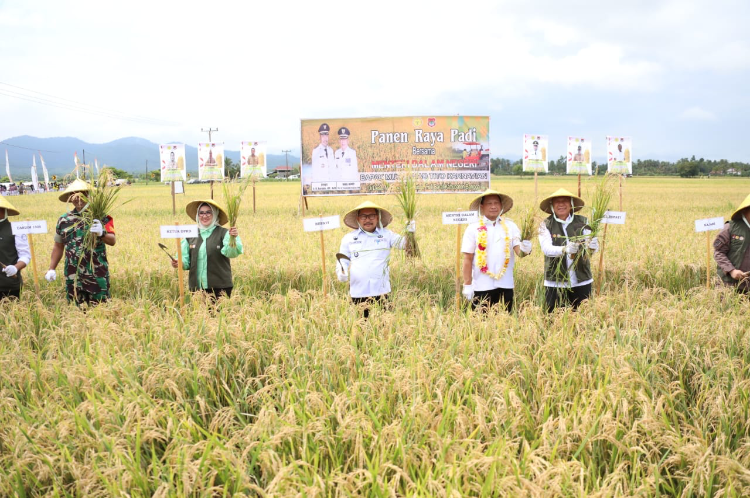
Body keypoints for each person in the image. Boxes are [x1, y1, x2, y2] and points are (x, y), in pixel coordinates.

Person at [336, 200, 413, 318]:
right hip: (359, 291)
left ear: (378, 218)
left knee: (384, 327)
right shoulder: (349, 238)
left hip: (381, 291)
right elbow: (342, 259)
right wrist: (342, 271)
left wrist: (410, 232)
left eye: (371, 216)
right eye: (363, 216)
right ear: (358, 219)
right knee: (361, 327)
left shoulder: (387, 235)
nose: (368, 219)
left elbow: (405, 245)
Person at [46, 179, 116, 305]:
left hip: (97, 274)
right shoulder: (64, 220)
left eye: (81, 194)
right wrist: (51, 268)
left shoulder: (100, 216)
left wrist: (102, 233)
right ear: (69, 198)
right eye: (73, 195)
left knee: (101, 310)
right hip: (73, 275)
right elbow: (58, 246)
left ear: (88, 195)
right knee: (75, 311)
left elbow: (112, 241)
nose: (78, 198)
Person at [461, 189, 532, 312]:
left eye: (496, 203)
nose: (493, 206)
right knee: (480, 325)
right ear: (482, 207)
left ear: (501, 206)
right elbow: (467, 258)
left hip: (506, 284)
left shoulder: (511, 226)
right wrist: (467, 285)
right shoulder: (473, 228)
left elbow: (519, 252)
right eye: (489, 203)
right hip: (481, 286)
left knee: (505, 324)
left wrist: (526, 248)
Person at [538, 188, 599, 312]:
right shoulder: (545, 224)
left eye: (565, 201)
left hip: (581, 280)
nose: (561, 204)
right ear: (552, 205)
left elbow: (590, 251)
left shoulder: (583, 221)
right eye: (557, 202)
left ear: (571, 204)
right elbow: (546, 249)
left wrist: (593, 245)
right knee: (554, 320)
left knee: (583, 318)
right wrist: (564, 249)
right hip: (556, 282)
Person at [172, 199, 242, 298]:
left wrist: (233, 238)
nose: (204, 216)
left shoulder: (225, 233)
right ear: (197, 215)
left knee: (219, 313)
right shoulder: (190, 235)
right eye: (201, 213)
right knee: (199, 313)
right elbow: (185, 260)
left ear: (215, 214)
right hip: (197, 288)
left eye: (209, 212)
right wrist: (178, 262)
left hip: (220, 288)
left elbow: (232, 253)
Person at [714, 193, 750, 293]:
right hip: (728, 285)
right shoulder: (730, 228)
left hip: (748, 287)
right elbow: (718, 253)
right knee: (726, 307)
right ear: (745, 210)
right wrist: (731, 270)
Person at [0, 196, 30, 300]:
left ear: (4, 211)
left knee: (11, 314)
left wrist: (15, 268)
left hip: (9, 285)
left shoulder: (16, 229)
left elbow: (25, 255)